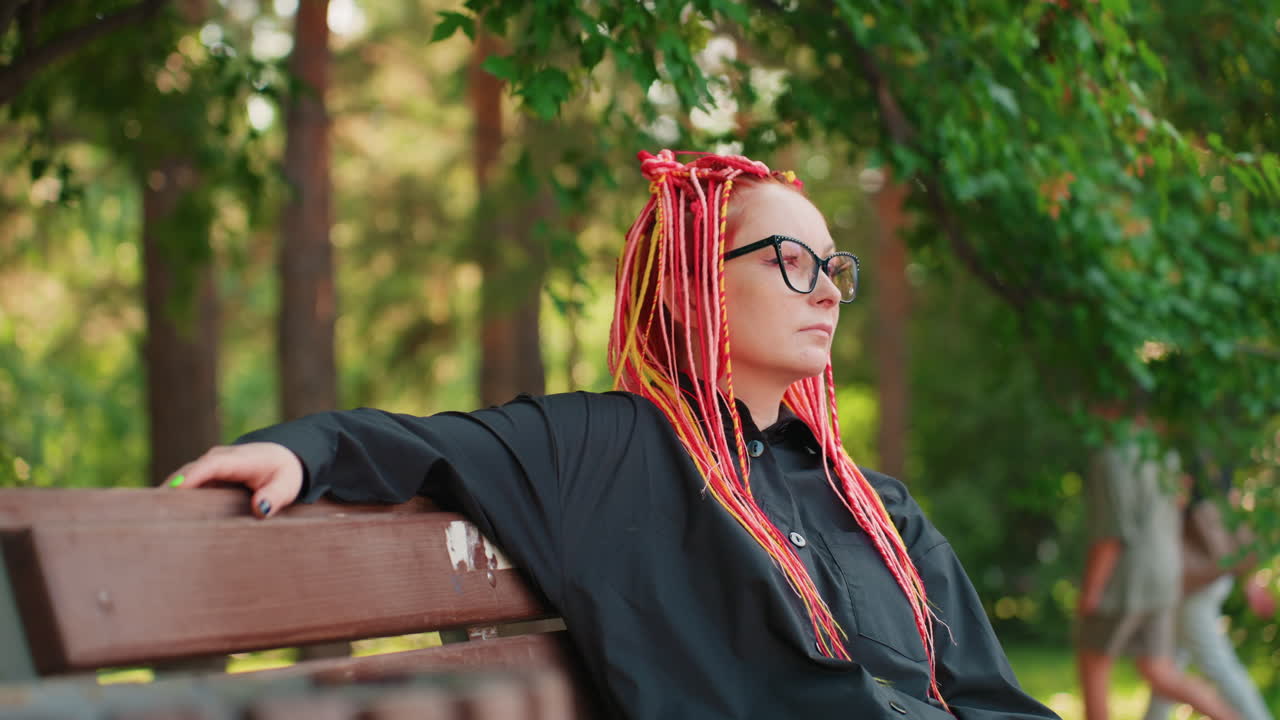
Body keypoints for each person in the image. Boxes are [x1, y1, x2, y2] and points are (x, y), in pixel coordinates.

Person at [170, 150, 1058, 719]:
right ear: (691, 282)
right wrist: (302, 449)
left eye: (832, 268)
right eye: (790, 262)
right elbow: (424, 442)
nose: (826, 290)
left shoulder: (876, 508)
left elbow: (989, 698)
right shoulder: (606, 452)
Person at [1077, 431, 1241, 720]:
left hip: (1127, 577)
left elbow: (1111, 535)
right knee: (1160, 670)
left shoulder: (1113, 458)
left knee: (1095, 665)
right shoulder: (1166, 456)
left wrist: (1092, 589)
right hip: (1165, 573)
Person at [1142, 461, 1276, 720]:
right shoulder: (1210, 452)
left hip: (1194, 582)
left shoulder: (1184, 455)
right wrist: (1247, 577)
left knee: (1213, 665)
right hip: (1204, 577)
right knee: (1167, 668)